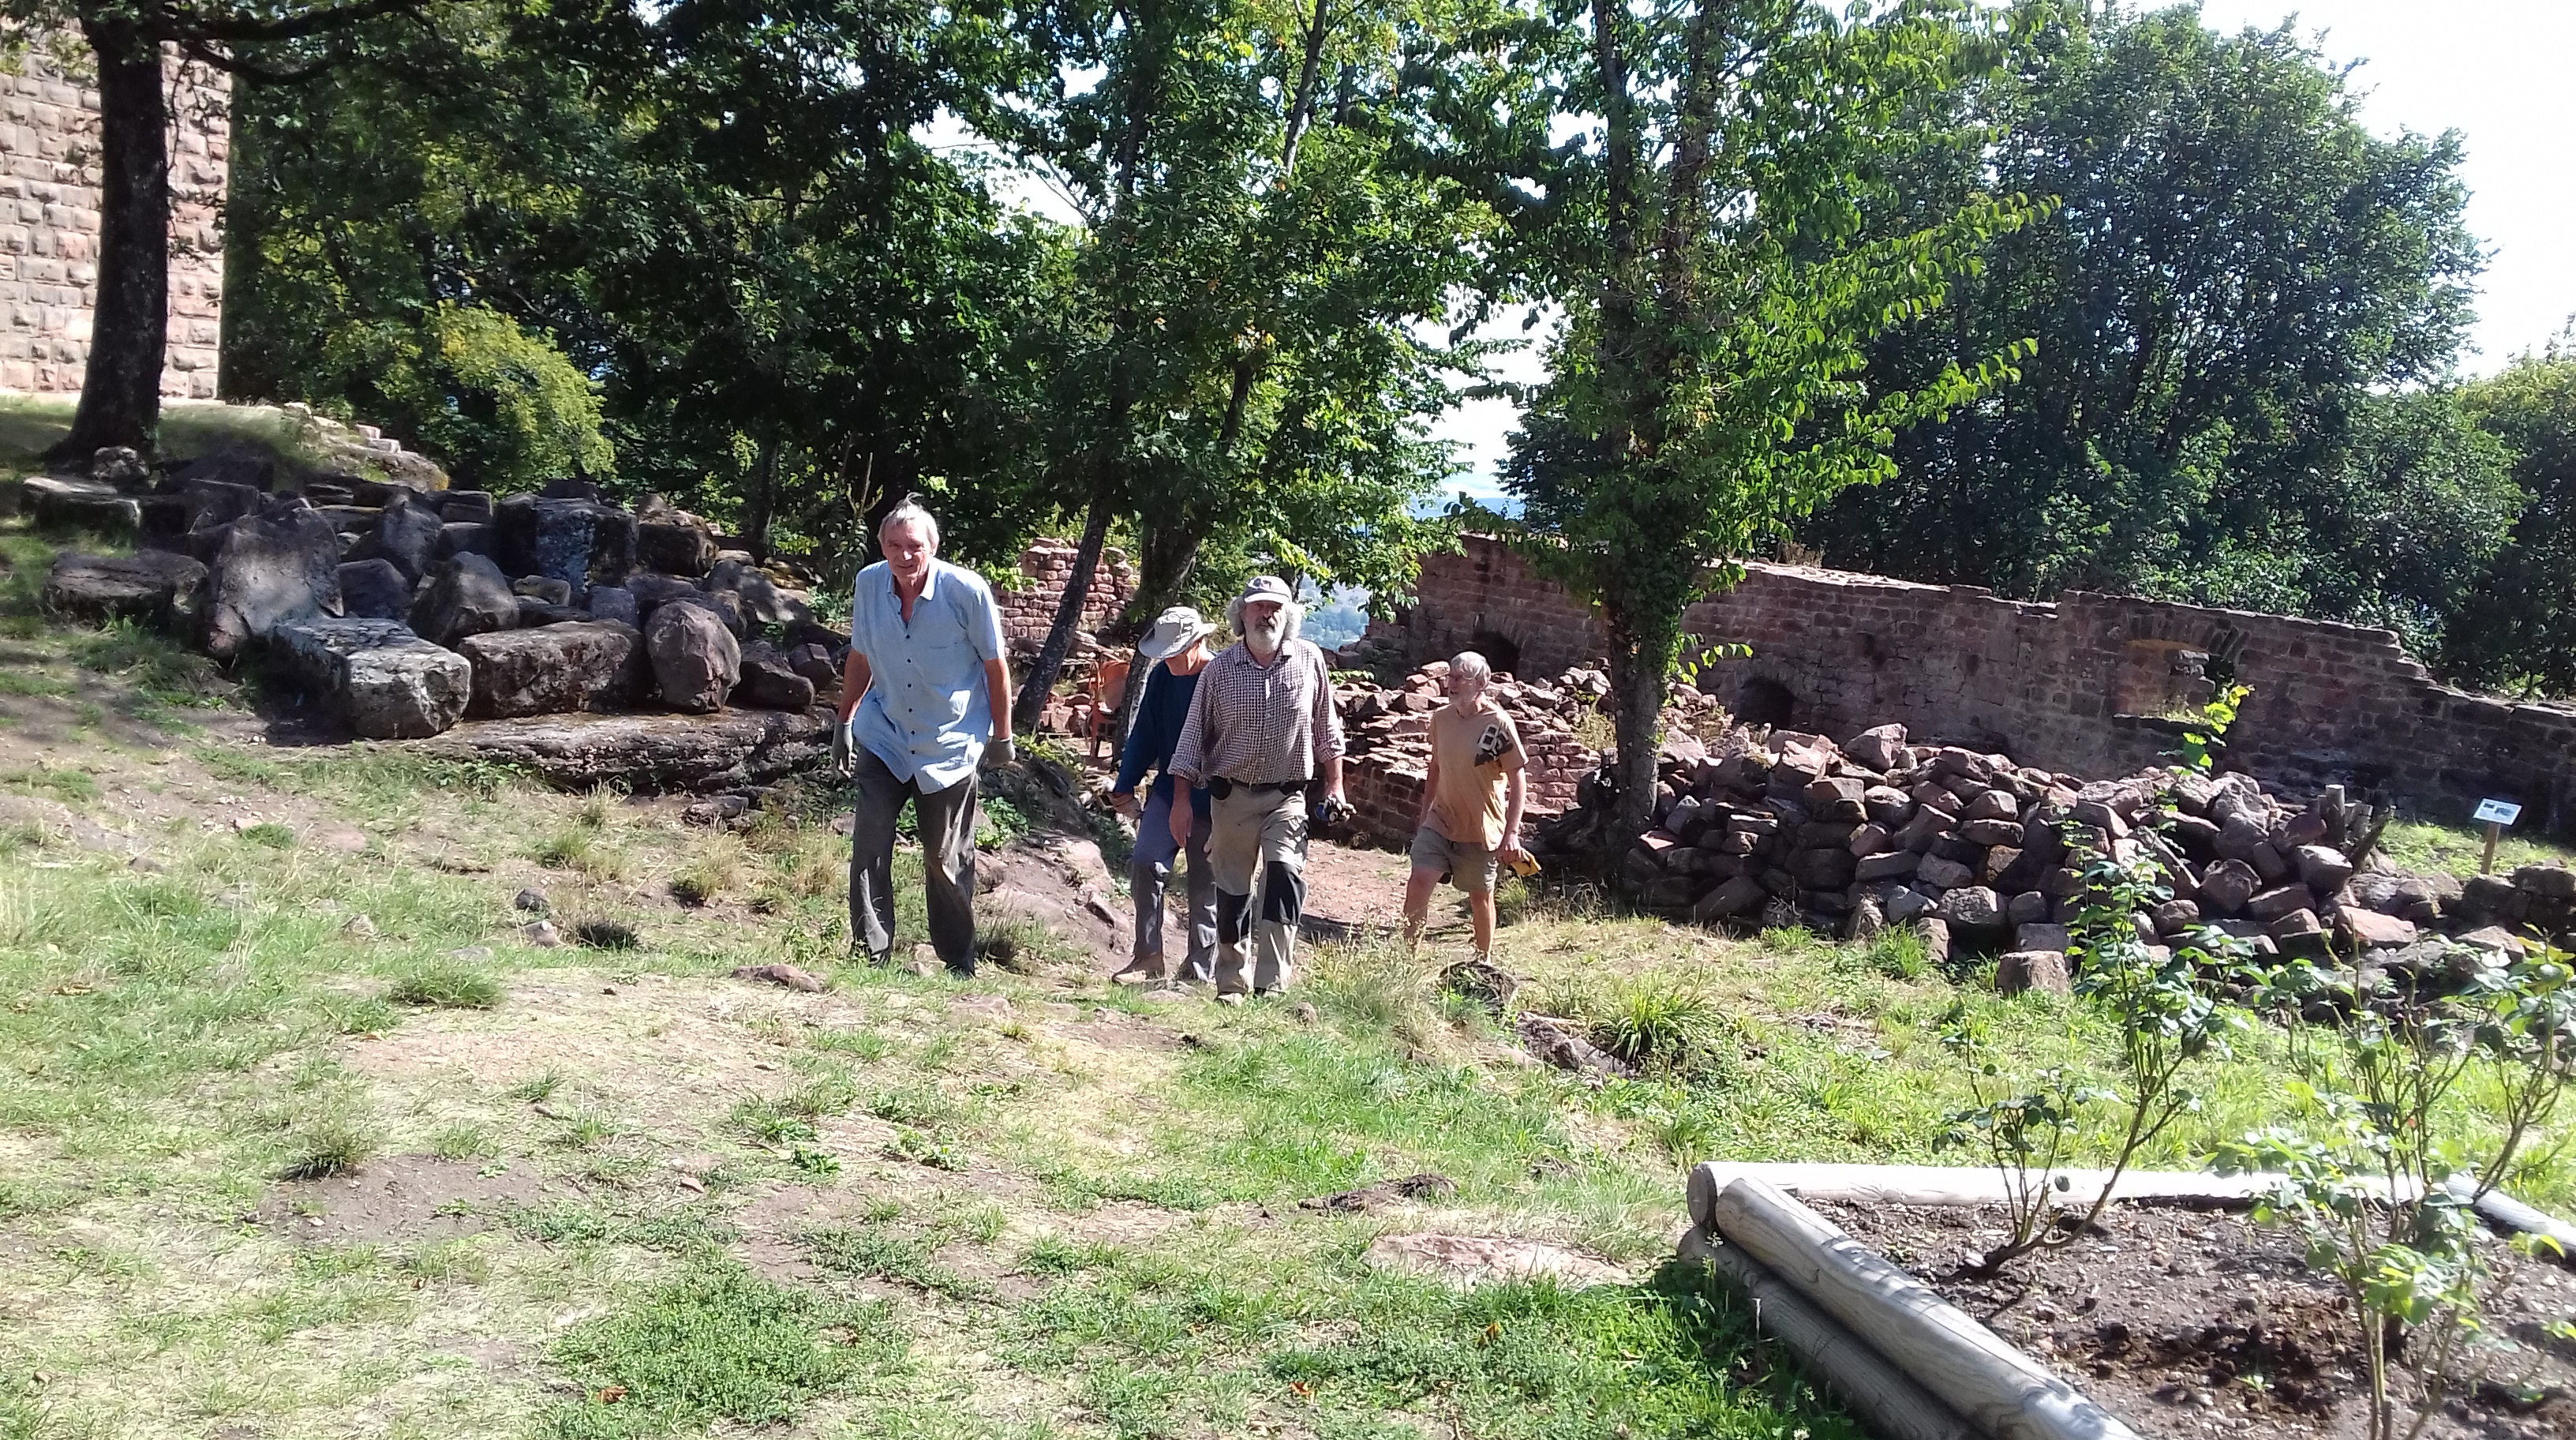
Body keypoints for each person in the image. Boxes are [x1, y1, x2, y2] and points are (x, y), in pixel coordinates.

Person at [833, 500, 1013, 975]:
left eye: (914, 546)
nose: (904, 555)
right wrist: (844, 722)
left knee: (943, 856)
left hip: (948, 742)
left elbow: (995, 667)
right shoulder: (869, 585)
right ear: (882, 547)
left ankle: (957, 960)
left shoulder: (965, 591)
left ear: (933, 547)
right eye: (894, 545)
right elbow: (860, 657)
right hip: (886, 734)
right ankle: (870, 953)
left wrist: (1002, 735)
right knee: (869, 845)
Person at [1167, 576, 1346, 1003]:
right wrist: (1180, 801)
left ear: (1288, 615)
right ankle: (1232, 983)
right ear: (1241, 614)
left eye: (1275, 607)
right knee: (1233, 892)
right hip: (1232, 798)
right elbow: (1192, 738)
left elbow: (1326, 727)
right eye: (1258, 606)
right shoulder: (1219, 670)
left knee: (1284, 877)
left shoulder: (1309, 660)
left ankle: (1271, 984)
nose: (1267, 614)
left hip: (1287, 796)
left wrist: (1336, 785)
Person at [1105, 607, 1218, 986]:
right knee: (1145, 862)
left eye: (1176, 652)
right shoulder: (1162, 678)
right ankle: (1147, 959)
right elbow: (1146, 734)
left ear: (1198, 643)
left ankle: (1198, 973)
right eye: (1165, 654)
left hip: (1216, 801)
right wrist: (1125, 783)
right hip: (1169, 792)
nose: (1169, 660)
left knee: (1205, 886)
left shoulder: (1223, 677)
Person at [1402, 652, 1530, 963]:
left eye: (1460, 678)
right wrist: (1424, 817)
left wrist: (1512, 833)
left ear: (1481, 683)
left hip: (1481, 829)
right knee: (1419, 881)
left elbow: (1518, 778)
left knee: (1479, 898)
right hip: (1440, 821)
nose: (1452, 683)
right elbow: (1435, 767)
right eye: (1451, 676)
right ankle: (1406, 961)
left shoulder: (1498, 723)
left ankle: (1482, 962)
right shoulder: (1441, 719)